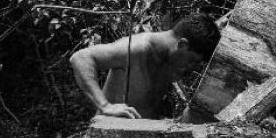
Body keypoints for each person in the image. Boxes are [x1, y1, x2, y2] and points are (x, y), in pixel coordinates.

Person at [69, 14, 221, 120]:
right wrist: (105, 106)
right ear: (182, 44)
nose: (192, 67)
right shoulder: (139, 47)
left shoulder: (169, 59)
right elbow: (81, 58)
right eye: (192, 60)